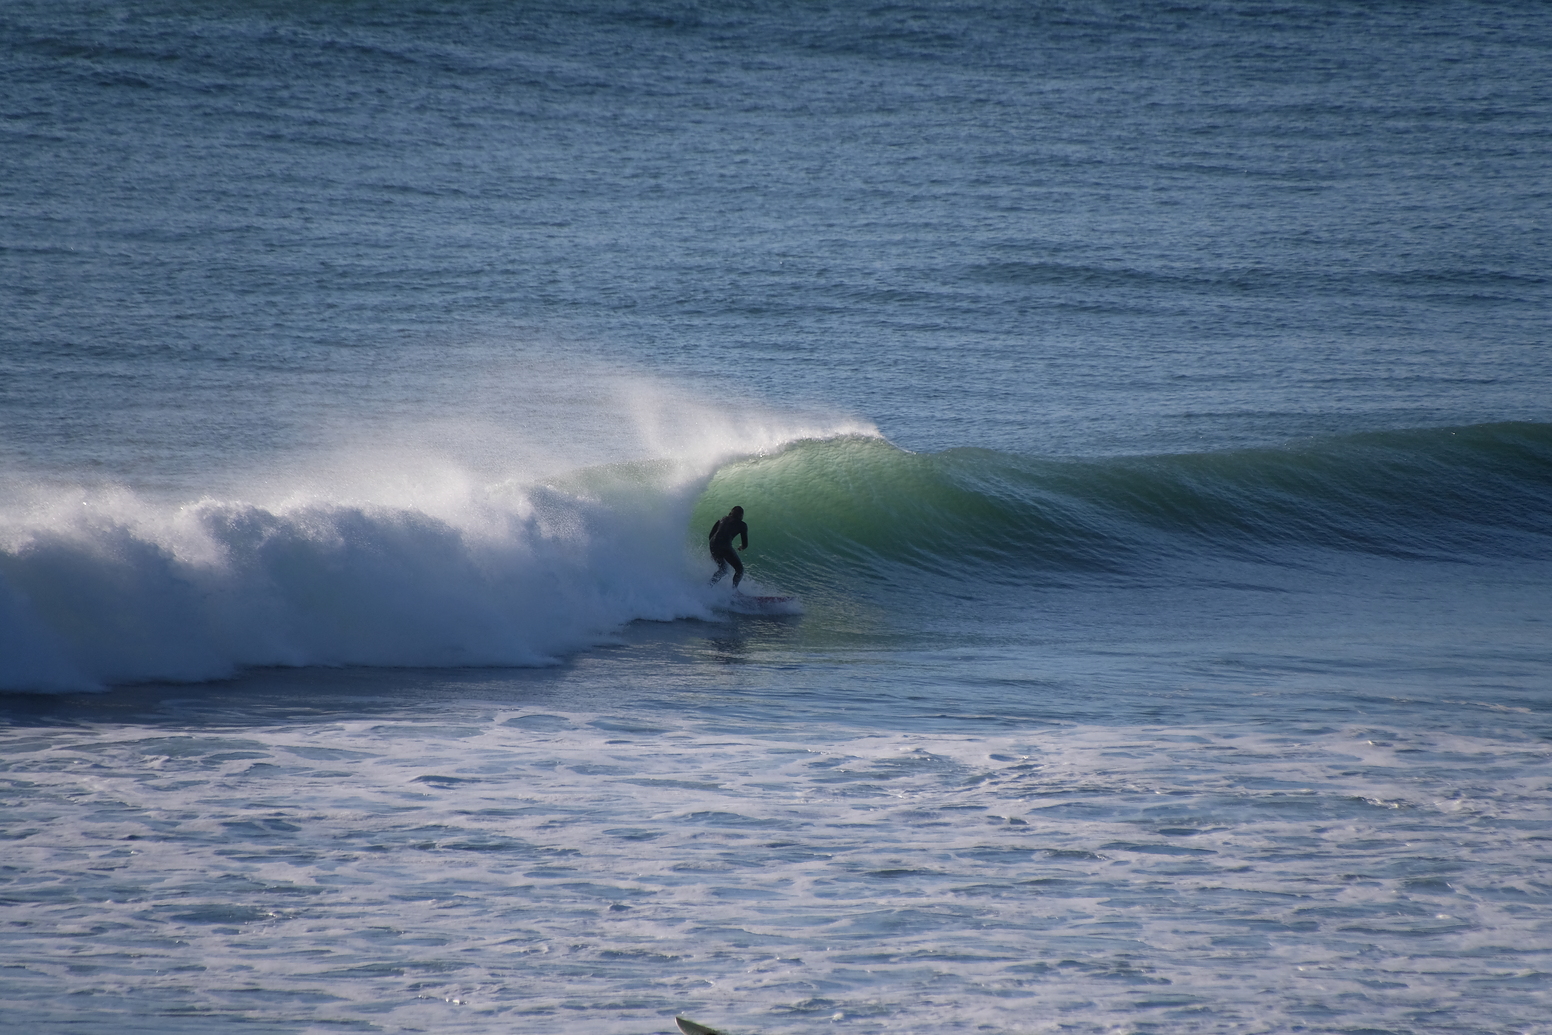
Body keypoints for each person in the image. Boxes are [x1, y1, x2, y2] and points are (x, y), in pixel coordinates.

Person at [707, 505, 749, 588]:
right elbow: (745, 544)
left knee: (723, 569)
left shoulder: (722, 519)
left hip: (713, 545)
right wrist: (741, 547)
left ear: (731, 512)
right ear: (741, 515)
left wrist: (713, 552)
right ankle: (734, 591)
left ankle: (709, 585)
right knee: (739, 570)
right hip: (725, 546)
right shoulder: (742, 525)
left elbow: (711, 535)